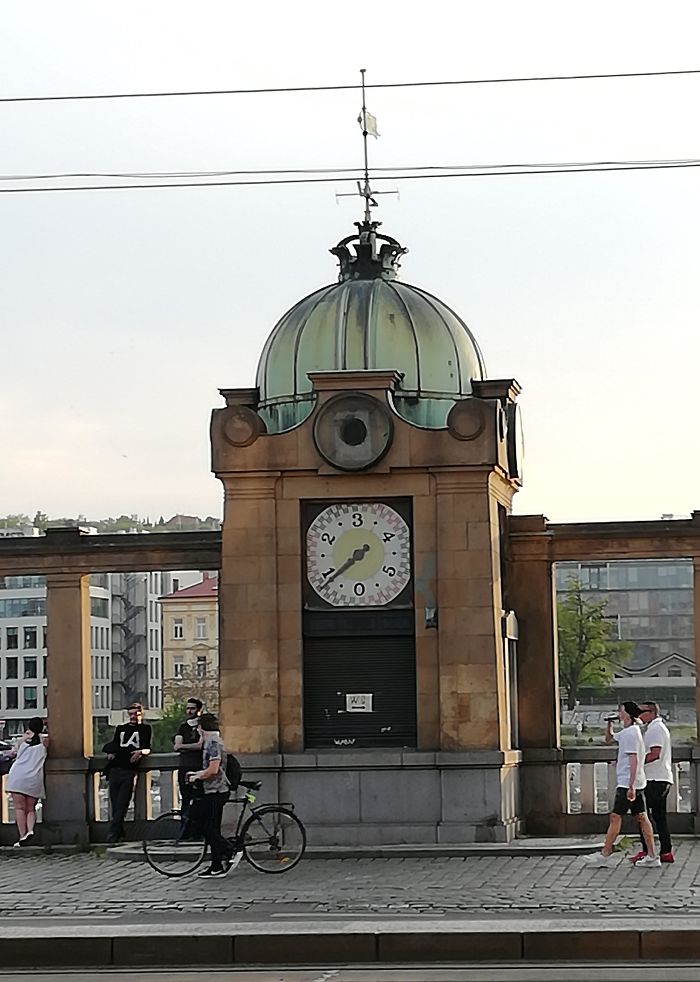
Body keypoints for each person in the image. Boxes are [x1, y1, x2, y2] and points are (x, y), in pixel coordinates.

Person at [584, 700, 660, 868]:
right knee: (642, 817)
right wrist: (609, 724)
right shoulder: (630, 732)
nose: (619, 713)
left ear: (627, 714)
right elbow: (609, 739)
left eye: (621, 711)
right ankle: (652, 855)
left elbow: (634, 759)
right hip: (636, 781)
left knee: (616, 816)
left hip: (628, 783)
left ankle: (605, 853)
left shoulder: (630, 734)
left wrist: (631, 786)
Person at [187, 712, 239, 878]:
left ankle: (228, 850)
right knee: (212, 828)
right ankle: (216, 865)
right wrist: (197, 773)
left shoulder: (212, 743)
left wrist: (197, 776)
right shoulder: (213, 741)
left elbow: (214, 769)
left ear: (202, 727)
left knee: (204, 826)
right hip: (214, 790)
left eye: (198, 727)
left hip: (215, 791)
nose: (197, 730)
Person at [629, 701, 674, 864]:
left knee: (641, 815)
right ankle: (666, 851)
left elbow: (655, 754)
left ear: (651, 712)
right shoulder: (657, 728)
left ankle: (647, 851)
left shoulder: (655, 729)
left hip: (653, 778)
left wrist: (636, 764)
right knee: (659, 816)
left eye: (641, 712)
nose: (638, 715)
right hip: (662, 777)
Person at [104, 702, 151, 844]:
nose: (133, 716)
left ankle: (114, 833)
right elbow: (114, 743)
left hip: (129, 769)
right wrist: (110, 751)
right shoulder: (121, 728)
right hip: (115, 768)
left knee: (122, 802)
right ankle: (118, 832)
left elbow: (147, 747)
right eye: (130, 714)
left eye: (136, 714)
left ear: (141, 714)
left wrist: (140, 752)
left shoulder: (145, 729)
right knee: (115, 802)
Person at [6, 717, 47, 847]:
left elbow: (13, 752)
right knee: (30, 809)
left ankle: (22, 836)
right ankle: (30, 830)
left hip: (17, 776)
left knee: (19, 808)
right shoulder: (44, 742)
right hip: (34, 778)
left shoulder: (22, 741)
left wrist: (25, 736)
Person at [173, 697, 203, 818]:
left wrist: (184, 746)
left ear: (199, 710)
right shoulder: (183, 727)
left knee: (199, 798)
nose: (189, 711)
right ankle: (185, 825)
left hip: (199, 765)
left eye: (192, 708)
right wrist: (193, 746)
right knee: (185, 798)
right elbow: (177, 746)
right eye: (188, 708)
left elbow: (201, 745)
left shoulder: (202, 725)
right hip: (185, 765)